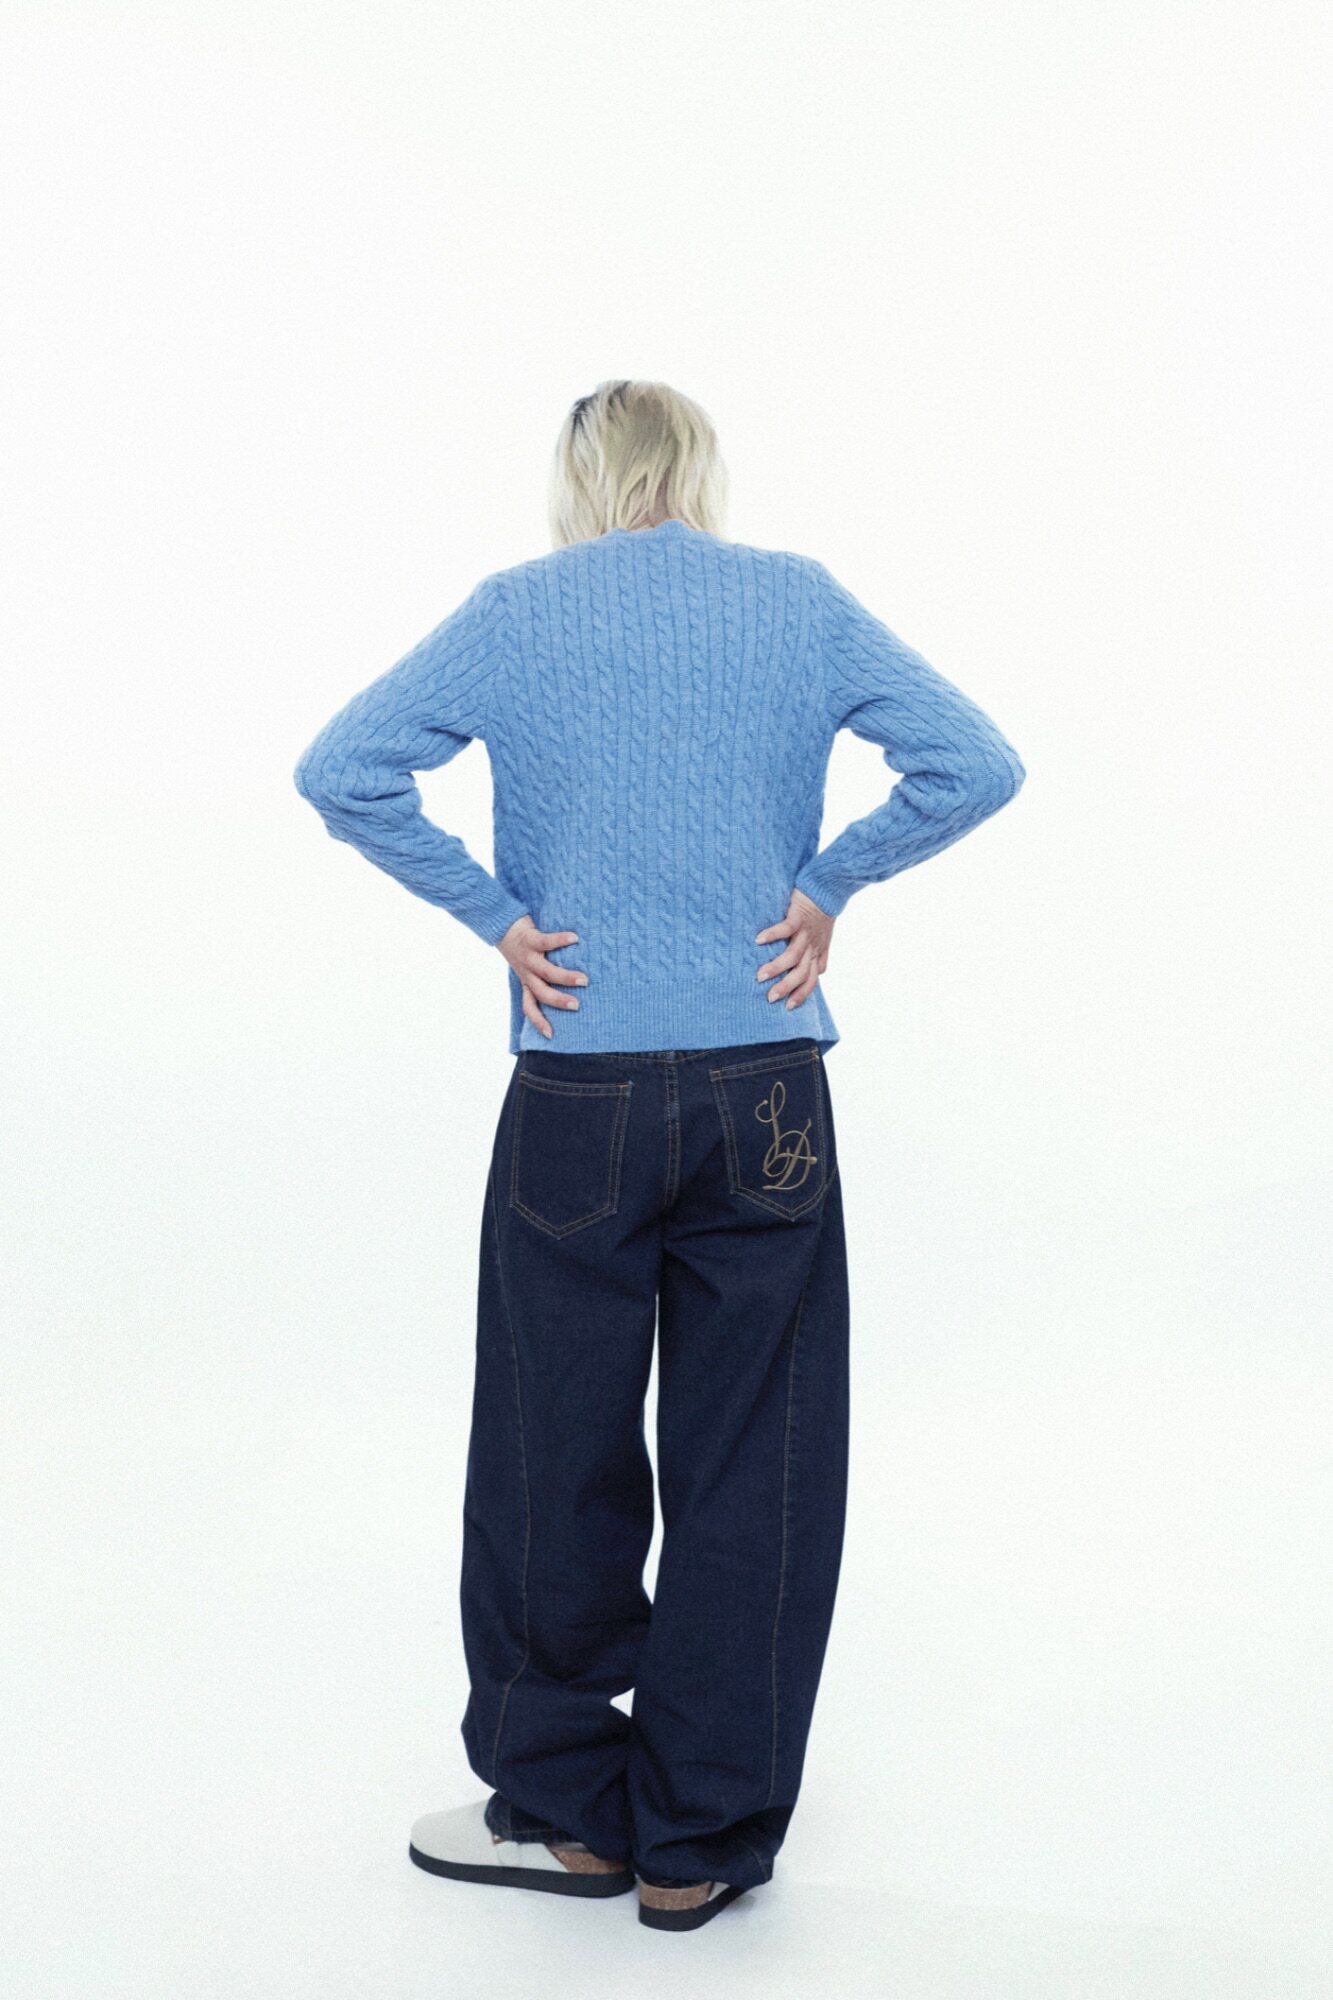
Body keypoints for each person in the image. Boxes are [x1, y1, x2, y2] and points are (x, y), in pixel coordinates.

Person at [292, 379, 1025, 1932]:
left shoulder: (518, 611)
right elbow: (972, 762)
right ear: (698, 468)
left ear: (581, 478)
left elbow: (341, 768)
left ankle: (567, 1816)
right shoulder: (796, 603)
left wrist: (501, 922)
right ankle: (697, 1840)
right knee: (760, 1453)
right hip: (766, 1085)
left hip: (580, 1087)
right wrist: (827, 885)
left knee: (548, 1445)